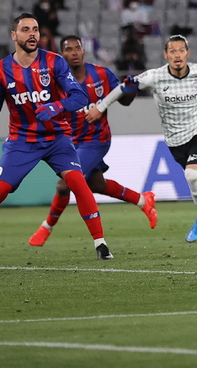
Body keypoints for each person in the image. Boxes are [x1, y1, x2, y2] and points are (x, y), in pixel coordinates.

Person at [0, 13, 108, 265]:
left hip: (57, 138)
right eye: (25, 29)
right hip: (22, 141)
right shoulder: (0, 70)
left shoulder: (54, 62)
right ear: (14, 35)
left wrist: (56, 107)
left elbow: (79, 96)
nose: (32, 34)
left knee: (78, 182)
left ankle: (101, 244)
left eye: (35, 29)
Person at [95, 35, 197, 243]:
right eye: (172, 51)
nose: (177, 55)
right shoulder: (154, 76)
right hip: (176, 143)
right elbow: (123, 88)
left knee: (192, 175)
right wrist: (100, 107)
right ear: (166, 55)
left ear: (188, 53)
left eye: (181, 50)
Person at [28, 36, 158, 246]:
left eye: (77, 48)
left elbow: (125, 101)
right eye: (69, 49)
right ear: (61, 55)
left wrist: (130, 89)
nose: (74, 52)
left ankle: (47, 227)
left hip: (96, 140)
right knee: (97, 184)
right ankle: (143, 200)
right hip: (71, 142)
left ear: (83, 51)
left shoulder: (101, 74)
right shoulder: (54, 82)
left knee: (64, 185)